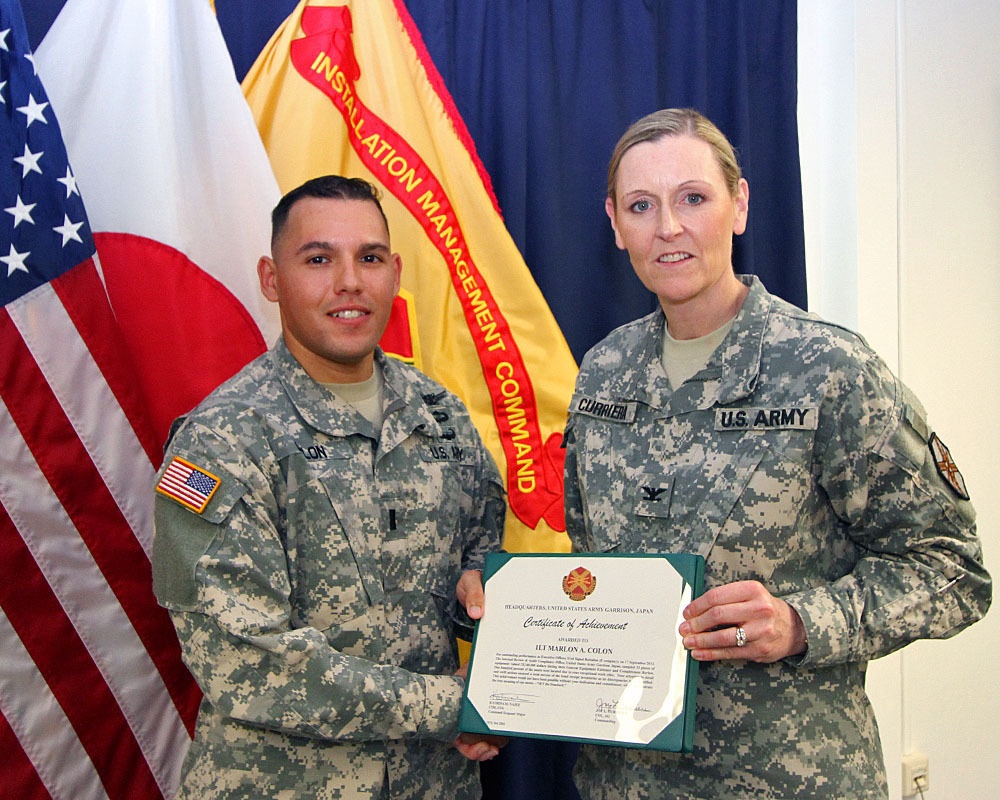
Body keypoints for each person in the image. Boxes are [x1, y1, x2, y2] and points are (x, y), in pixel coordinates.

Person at [561, 108, 991, 799]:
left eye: (693, 198)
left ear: (739, 204)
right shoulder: (604, 372)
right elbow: (595, 557)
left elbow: (953, 572)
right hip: (627, 779)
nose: (668, 227)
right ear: (615, 224)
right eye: (642, 206)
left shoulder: (828, 367)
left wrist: (800, 623)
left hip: (784, 779)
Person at [152, 175, 506, 799]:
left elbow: (482, 555)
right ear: (271, 279)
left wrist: (503, 628)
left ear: (395, 273)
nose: (349, 281)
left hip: (437, 782)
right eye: (318, 259)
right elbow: (247, 661)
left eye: (369, 258)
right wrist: (458, 704)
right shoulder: (222, 440)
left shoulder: (439, 415)